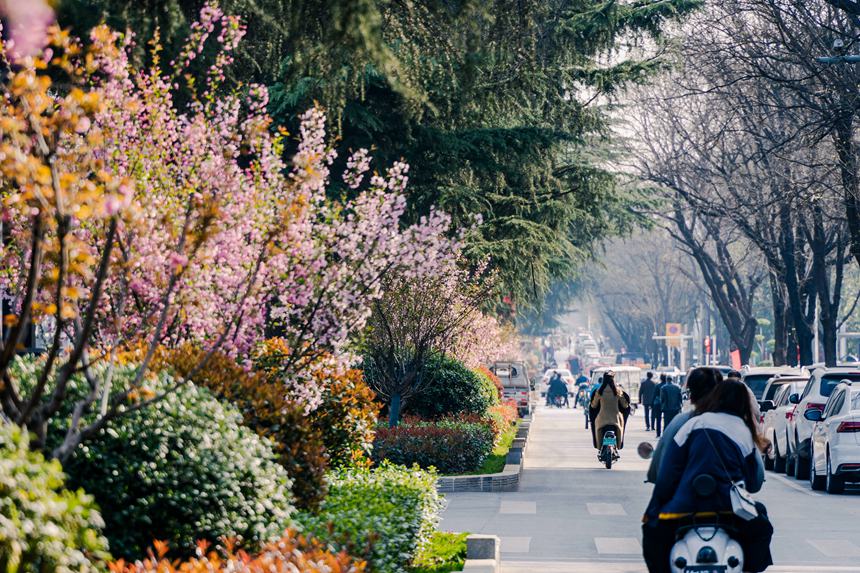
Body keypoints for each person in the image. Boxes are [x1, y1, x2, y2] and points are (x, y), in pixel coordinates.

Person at [642, 379, 773, 573]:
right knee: (762, 529)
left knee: (653, 533)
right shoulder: (744, 431)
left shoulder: (691, 425)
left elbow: (667, 476)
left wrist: (655, 509)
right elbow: (753, 482)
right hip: (730, 509)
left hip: (685, 506)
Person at [589, 372, 631, 450]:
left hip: (602, 420)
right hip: (616, 420)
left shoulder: (599, 391)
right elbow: (625, 405)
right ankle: (618, 445)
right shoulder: (618, 391)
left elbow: (593, 405)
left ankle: (599, 446)